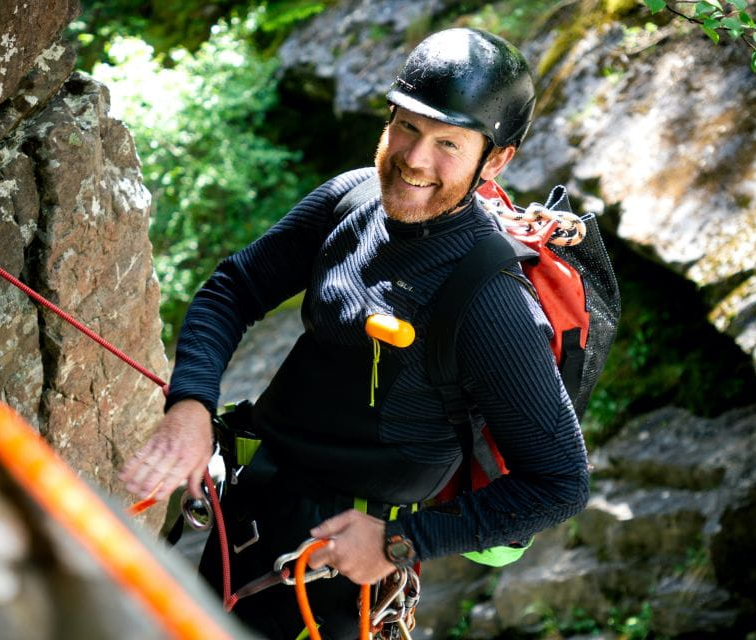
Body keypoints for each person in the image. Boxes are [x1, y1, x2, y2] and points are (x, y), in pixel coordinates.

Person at [121, 27, 589, 639]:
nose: (415, 159)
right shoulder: (353, 199)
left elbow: (559, 483)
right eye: (407, 127)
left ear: (495, 159)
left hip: (338, 573)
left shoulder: (489, 300)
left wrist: (400, 543)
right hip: (249, 513)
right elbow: (236, 286)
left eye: (448, 142)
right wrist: (190, 404)